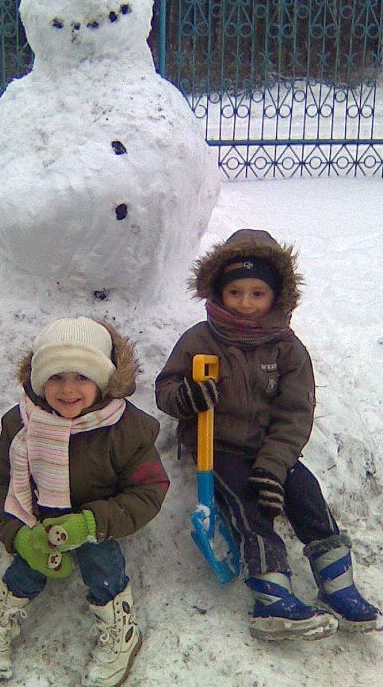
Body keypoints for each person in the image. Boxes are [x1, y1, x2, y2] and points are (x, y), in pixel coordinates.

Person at [155, 228, 381, 641]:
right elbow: (166, 390)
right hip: (217, 448)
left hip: (269, 448)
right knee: (248, 504)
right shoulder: (200, 339)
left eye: (257, 293)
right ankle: (271, 593)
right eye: (235, 292)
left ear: (276, 296)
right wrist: (187, 396)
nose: (245, 303)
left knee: (306, 492)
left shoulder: (287, 348)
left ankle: (337, 582)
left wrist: (274, 467)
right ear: (218, 291)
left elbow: (295, 413)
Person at [0, 317, 169, 687]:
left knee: (101, 560)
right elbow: (3, 484)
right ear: (39, 381)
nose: (67, 390)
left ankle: (117, 621)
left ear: (103, 380)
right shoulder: (20, 423)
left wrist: (92, 523)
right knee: (30, 562)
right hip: (39, 521)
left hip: (97, 522)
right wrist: (18, 536)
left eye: (82, 377)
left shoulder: (128, 429)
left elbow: (148, 490)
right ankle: (3, 608)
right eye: (56, 377)